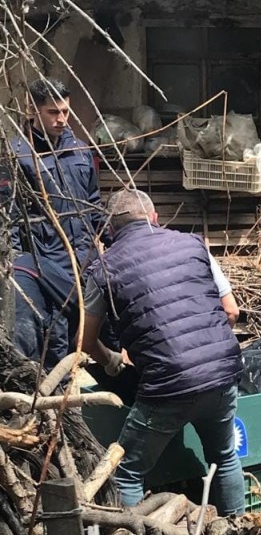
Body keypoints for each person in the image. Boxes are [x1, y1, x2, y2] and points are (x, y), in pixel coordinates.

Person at [81, 189, 245, 515]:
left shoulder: (103, 269)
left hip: (166, 385)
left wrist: (112, 362)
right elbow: (231, 311)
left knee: (127, 471)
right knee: (224, 456)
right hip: (223, 373)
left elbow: (84, 340)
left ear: (110, 230)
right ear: (155, 217)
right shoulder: (194, 244)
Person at [9, 77, 104, 368]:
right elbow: (10, 215)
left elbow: (93, 204)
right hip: (46, 263)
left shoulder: (81, 150)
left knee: (93, 334)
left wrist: (110, 242)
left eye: (65, 111)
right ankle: (54, 405)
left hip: (85, 260)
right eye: (53, 112)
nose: (61, 119)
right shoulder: (19, 154)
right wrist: (14, 263)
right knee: (55, 337)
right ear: (33, 110)